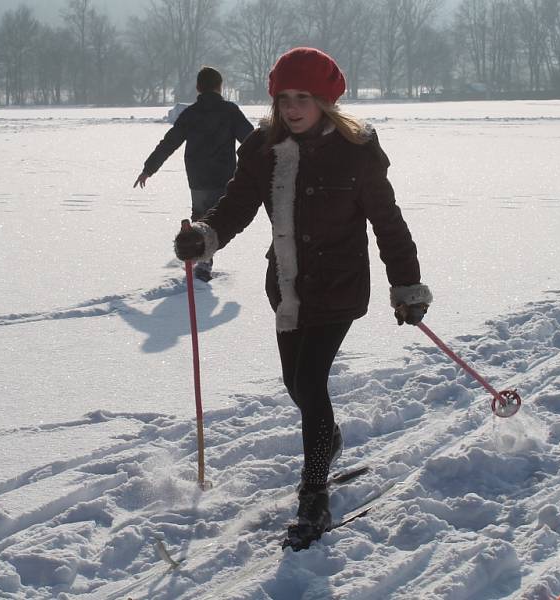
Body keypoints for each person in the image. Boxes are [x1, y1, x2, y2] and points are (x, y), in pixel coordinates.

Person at [173, 47, 432, 551]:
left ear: (325, 101)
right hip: (287, 287)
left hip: (338, 288)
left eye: (303, 98)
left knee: (311, 382)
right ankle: (328, 440)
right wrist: (203, 235)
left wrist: (406, 286)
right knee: (295, 383)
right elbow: (235, 208)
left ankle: (313, 493)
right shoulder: (262, 148)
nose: (291, 108)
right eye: (283, 98)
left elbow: (389, 224)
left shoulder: (356, 152)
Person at [134, 66, 254, 281]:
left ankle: (200, 259)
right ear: (220, 87)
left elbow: (169, 142)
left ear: (198, 88)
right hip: (224, 175)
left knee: (200, 215)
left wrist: (148, 169)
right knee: (218, 219)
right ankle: (202, 262)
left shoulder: (191, 114)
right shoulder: (229, 111)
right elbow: (251, 140)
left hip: (198, 177)